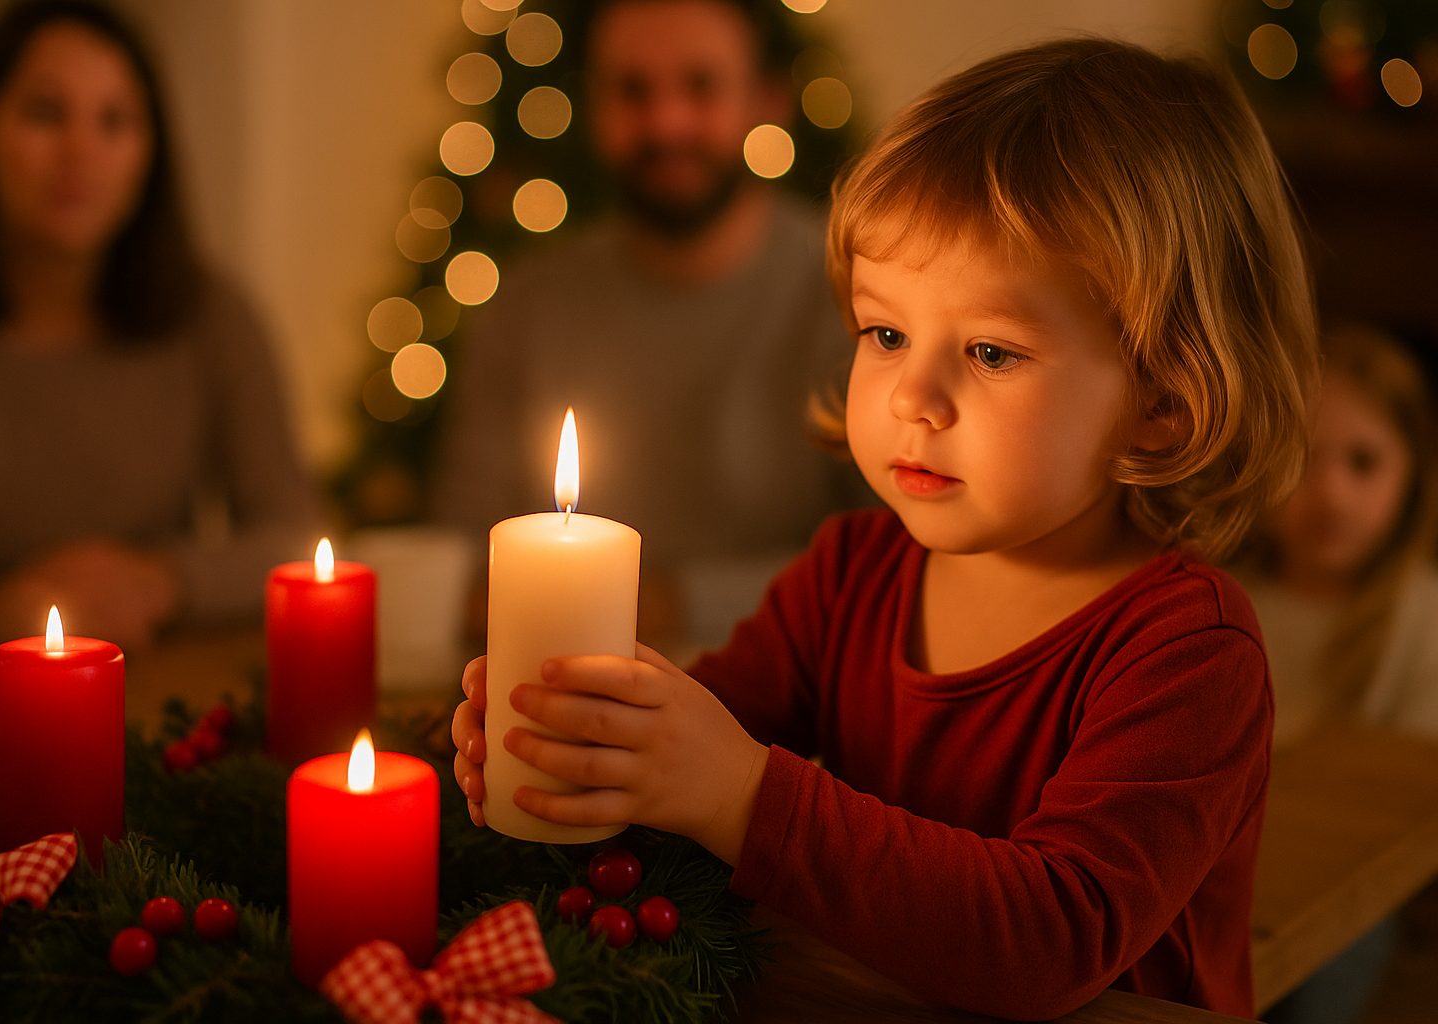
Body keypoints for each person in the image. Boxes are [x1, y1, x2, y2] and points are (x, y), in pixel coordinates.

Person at [452, 38, 1319, 1020]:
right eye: (887, 333)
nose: (914, 396)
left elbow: (1050, 941)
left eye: (991, 351)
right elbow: (700, 745)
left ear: (1162, 399)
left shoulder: (1190, 651)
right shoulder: (850, 573)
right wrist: (588, 755)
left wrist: (741, 796)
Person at [430, 0, 866, 650]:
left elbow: (894, 556)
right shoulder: (527, 305)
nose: (666, 123)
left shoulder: (855, 296)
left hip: (795, 689)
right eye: (632, 90)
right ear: (593, 105)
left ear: (767, 101)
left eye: (701, 86)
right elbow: (464, 548)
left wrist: (677, 602)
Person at [0, 0, 317, 651]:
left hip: (153, 688)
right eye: (45, 113)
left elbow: (292, 537)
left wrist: (164, 583)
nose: (81, 153)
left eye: (114, 121)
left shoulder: (210, 314)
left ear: (150, 152)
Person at [1235, 324, 1438, 1024]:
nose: (1331, 493)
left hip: (1350, 891)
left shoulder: (1421, 618)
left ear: (1413, 471)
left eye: (1363, 463)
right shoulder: (1224, 599)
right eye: (1302, 459)